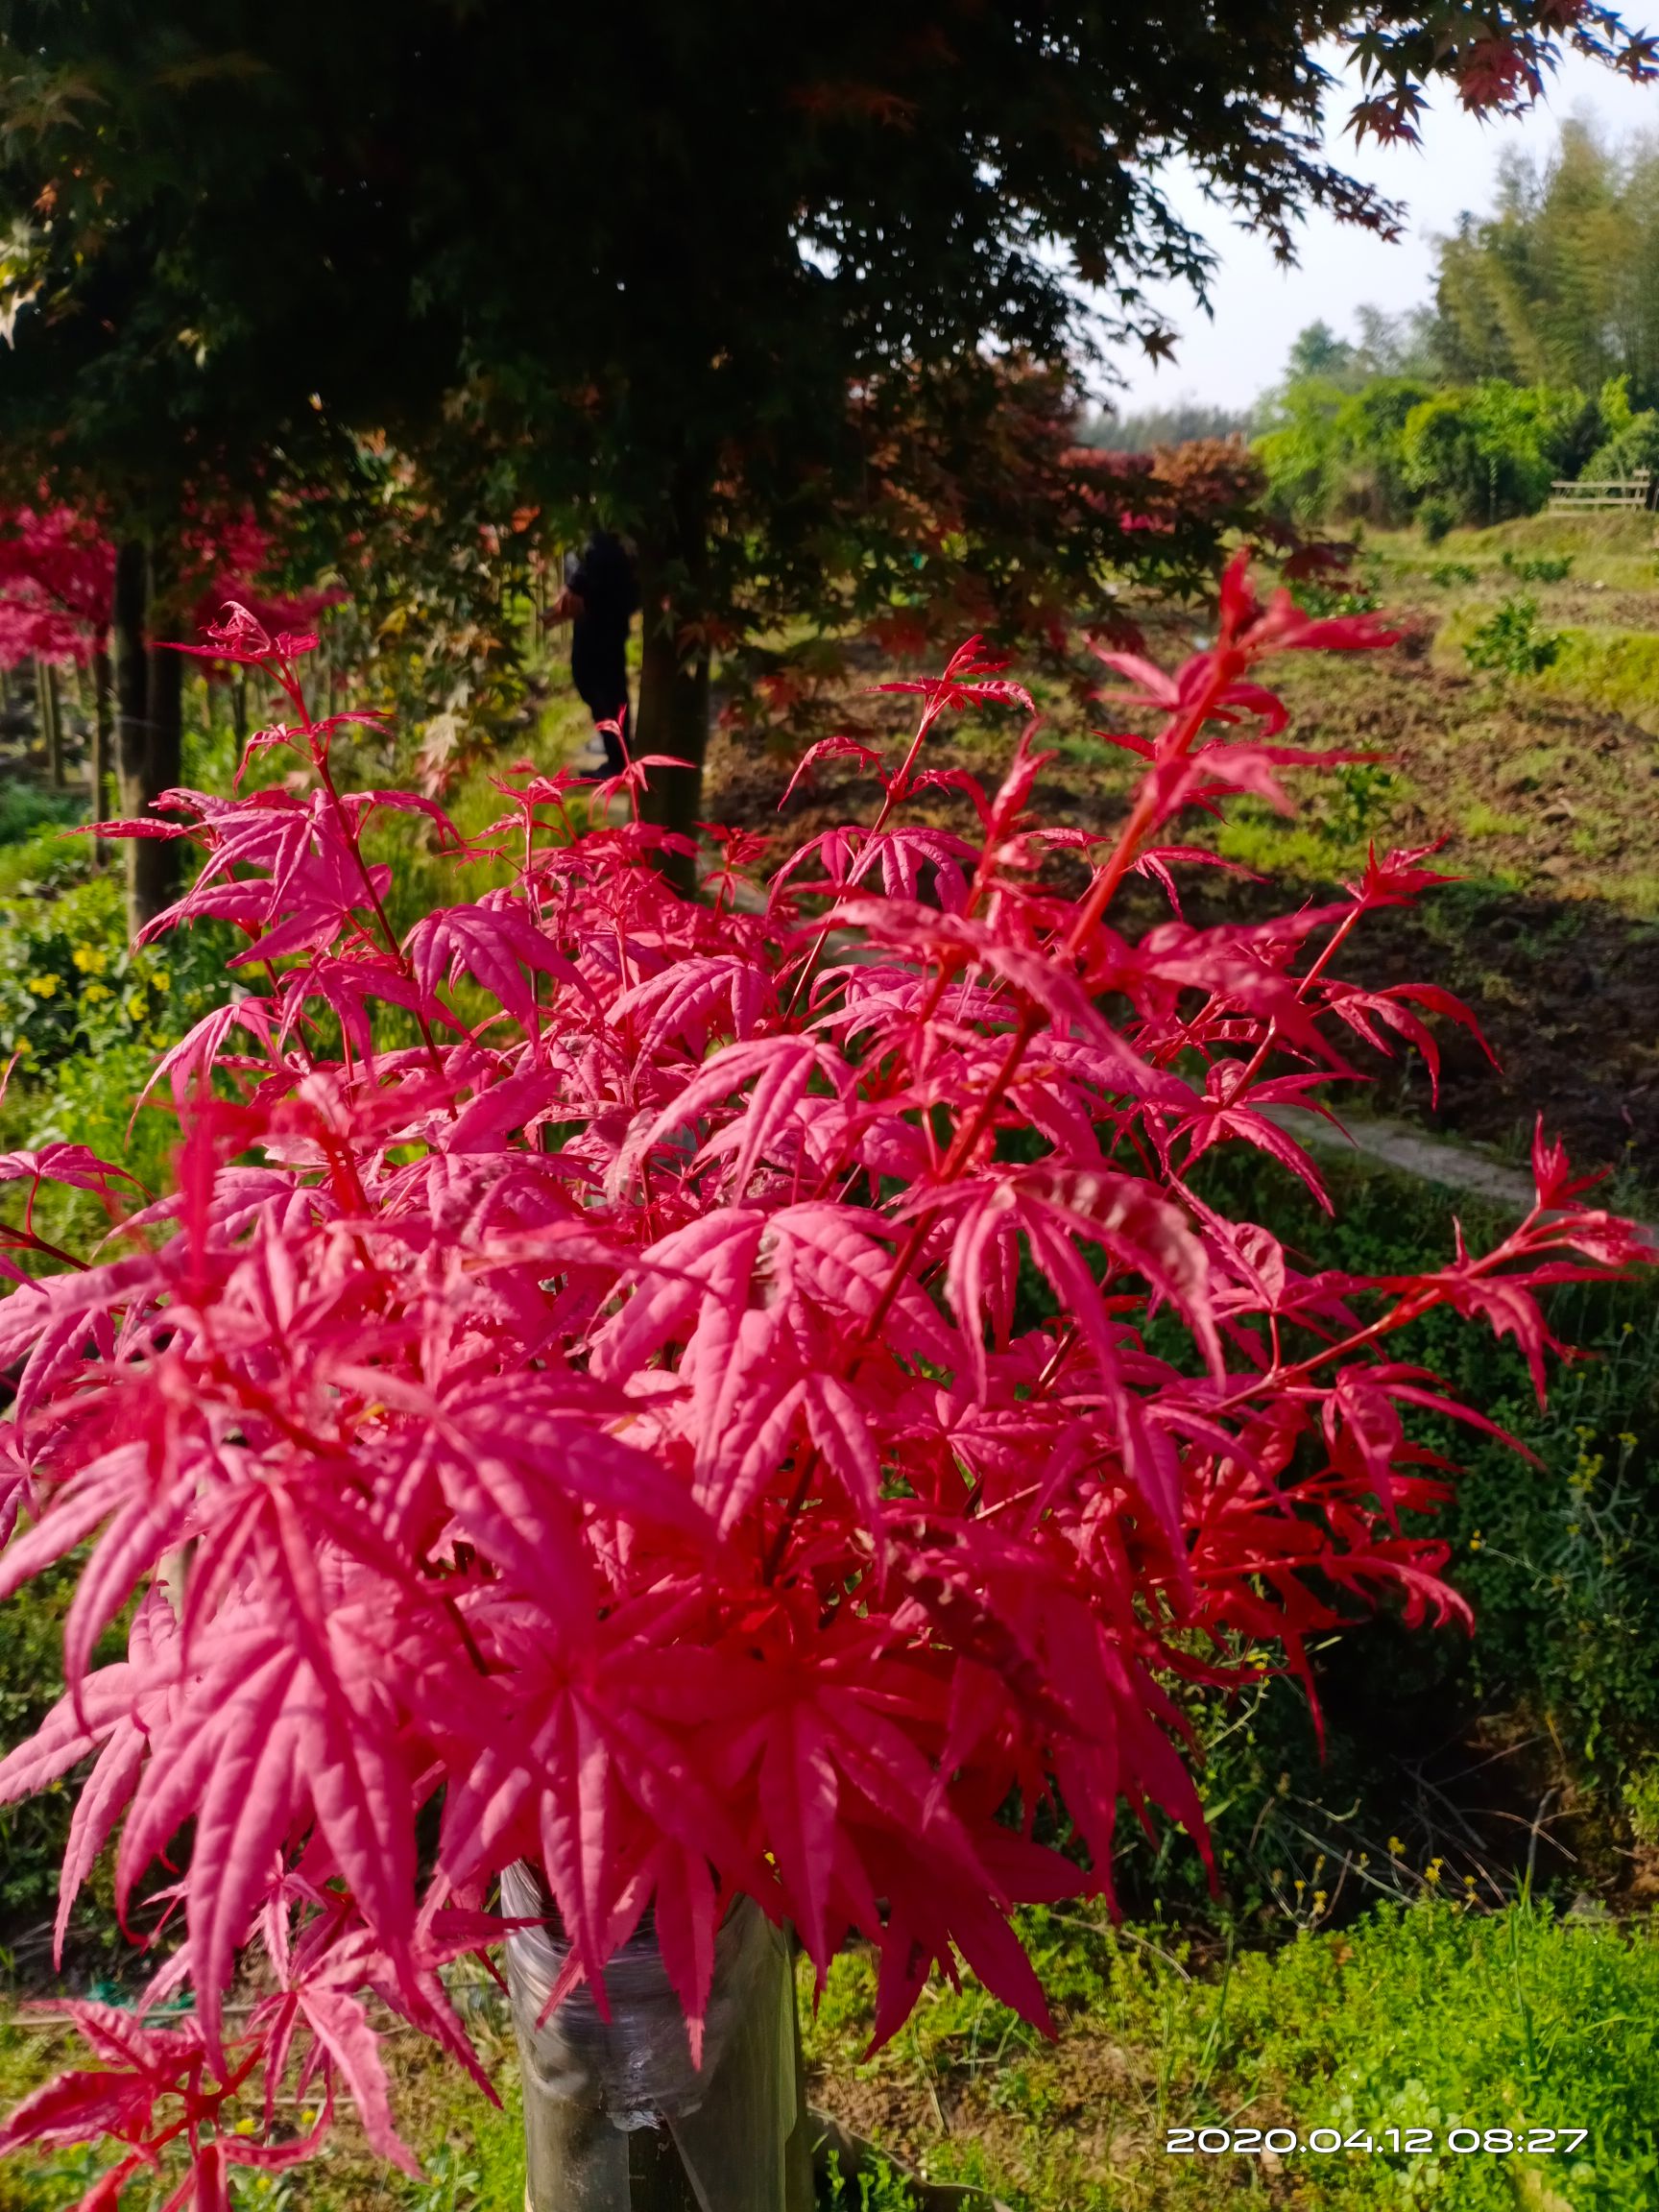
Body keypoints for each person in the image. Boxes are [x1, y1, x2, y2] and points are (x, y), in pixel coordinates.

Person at [546, 531, 638, 777]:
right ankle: (617, 755)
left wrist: (576, 585)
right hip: (596, 608)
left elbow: (603, 549)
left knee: (604, 684)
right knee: (592, 679)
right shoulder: (588, 516)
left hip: (605, 611)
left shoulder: (603, 517)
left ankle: (619, 760)